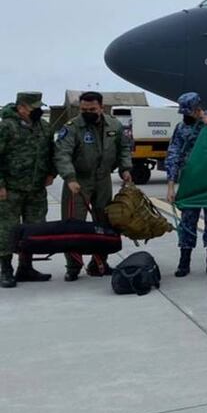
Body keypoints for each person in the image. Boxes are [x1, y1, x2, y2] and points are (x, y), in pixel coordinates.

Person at [54, 91, 133, 281]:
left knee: (104, 222)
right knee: (73, 223)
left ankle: (99, 263)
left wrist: (125, 168)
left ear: (101, 107)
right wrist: (70, 178)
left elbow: (123, 148)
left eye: (92, 109)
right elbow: (62, 154)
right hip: (79, 181)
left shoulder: (114, 124)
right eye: (83, 109)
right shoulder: (72, 127)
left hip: (103, 179)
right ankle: (73, 266)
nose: (87, 112)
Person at [0, 92, 56, 288]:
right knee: (7, 229)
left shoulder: (44, 127)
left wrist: (51, 173)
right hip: (11, 189)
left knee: (34, 228)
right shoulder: (6, 127)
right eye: (34, 107)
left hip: (36, 188)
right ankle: (5, 269)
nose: (39, 111)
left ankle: (26, 267)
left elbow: (52, 152)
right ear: (21, 107)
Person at [166, 92, 207, 277]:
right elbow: (174, 155)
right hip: (190, 181)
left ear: (198, 108)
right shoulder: (181, 128)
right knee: (187, 221)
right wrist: (170, 185)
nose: (185, 116)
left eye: (189, 112)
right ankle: (184, 262)